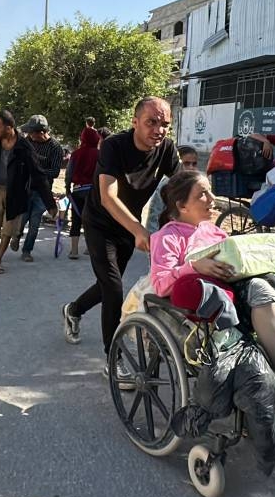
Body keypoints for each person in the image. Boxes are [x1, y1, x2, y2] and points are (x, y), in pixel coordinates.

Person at [150, 170, 275, 410]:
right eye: (203, 194)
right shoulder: (167, 237)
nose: (212, 199)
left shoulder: (213, 231)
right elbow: (160, 283)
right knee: (262, 290)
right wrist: (193, 266)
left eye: (210, 191)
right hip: (213, 300)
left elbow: (243, 261)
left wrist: (274, 274)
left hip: (240, 288)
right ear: (182, 205)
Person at [61, 97, 179, 352]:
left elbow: (182, 184)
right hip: (101, 223)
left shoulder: (166, 148)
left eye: (165, 124)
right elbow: (108, 196)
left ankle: (73, 309)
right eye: (151, 122)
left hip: (127, 226)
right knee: (113, 287)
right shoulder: (114, 146)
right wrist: (139, 230)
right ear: (135, 122)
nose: (159, 130)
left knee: (107, 286)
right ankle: (114, 357)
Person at [0, 110, 56, 274]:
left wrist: (50, 203)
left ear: (9, 127)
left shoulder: (24, 147)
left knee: (9, 229)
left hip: (16, 193)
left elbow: (38, 174)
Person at [14, 115, 64, 261]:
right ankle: (16, 236)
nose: (30, 135)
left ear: (42, 132)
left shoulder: (55, 147)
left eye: (32, 132)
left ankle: (27, 251)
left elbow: (54, 172)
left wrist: (37, 171)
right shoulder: (27, 142)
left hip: (42, 191)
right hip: (25, 188)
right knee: (22, 219)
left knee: (34, 224)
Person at [64, 126, 101, 259]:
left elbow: (69, 173)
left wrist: (67, 188)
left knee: (76, 219)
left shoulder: (75, 154)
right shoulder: (99, 154)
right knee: (91, 220)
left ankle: (74, 251)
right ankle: (89, 249)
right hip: (94, 192)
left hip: (78, 191)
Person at [145, 145, 200, 234]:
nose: (191, 167)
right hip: (167, 235)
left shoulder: (194, 184)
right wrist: (153, 238)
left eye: (194, 164)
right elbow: (155, 214)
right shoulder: (167, 184)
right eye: (186, 163)